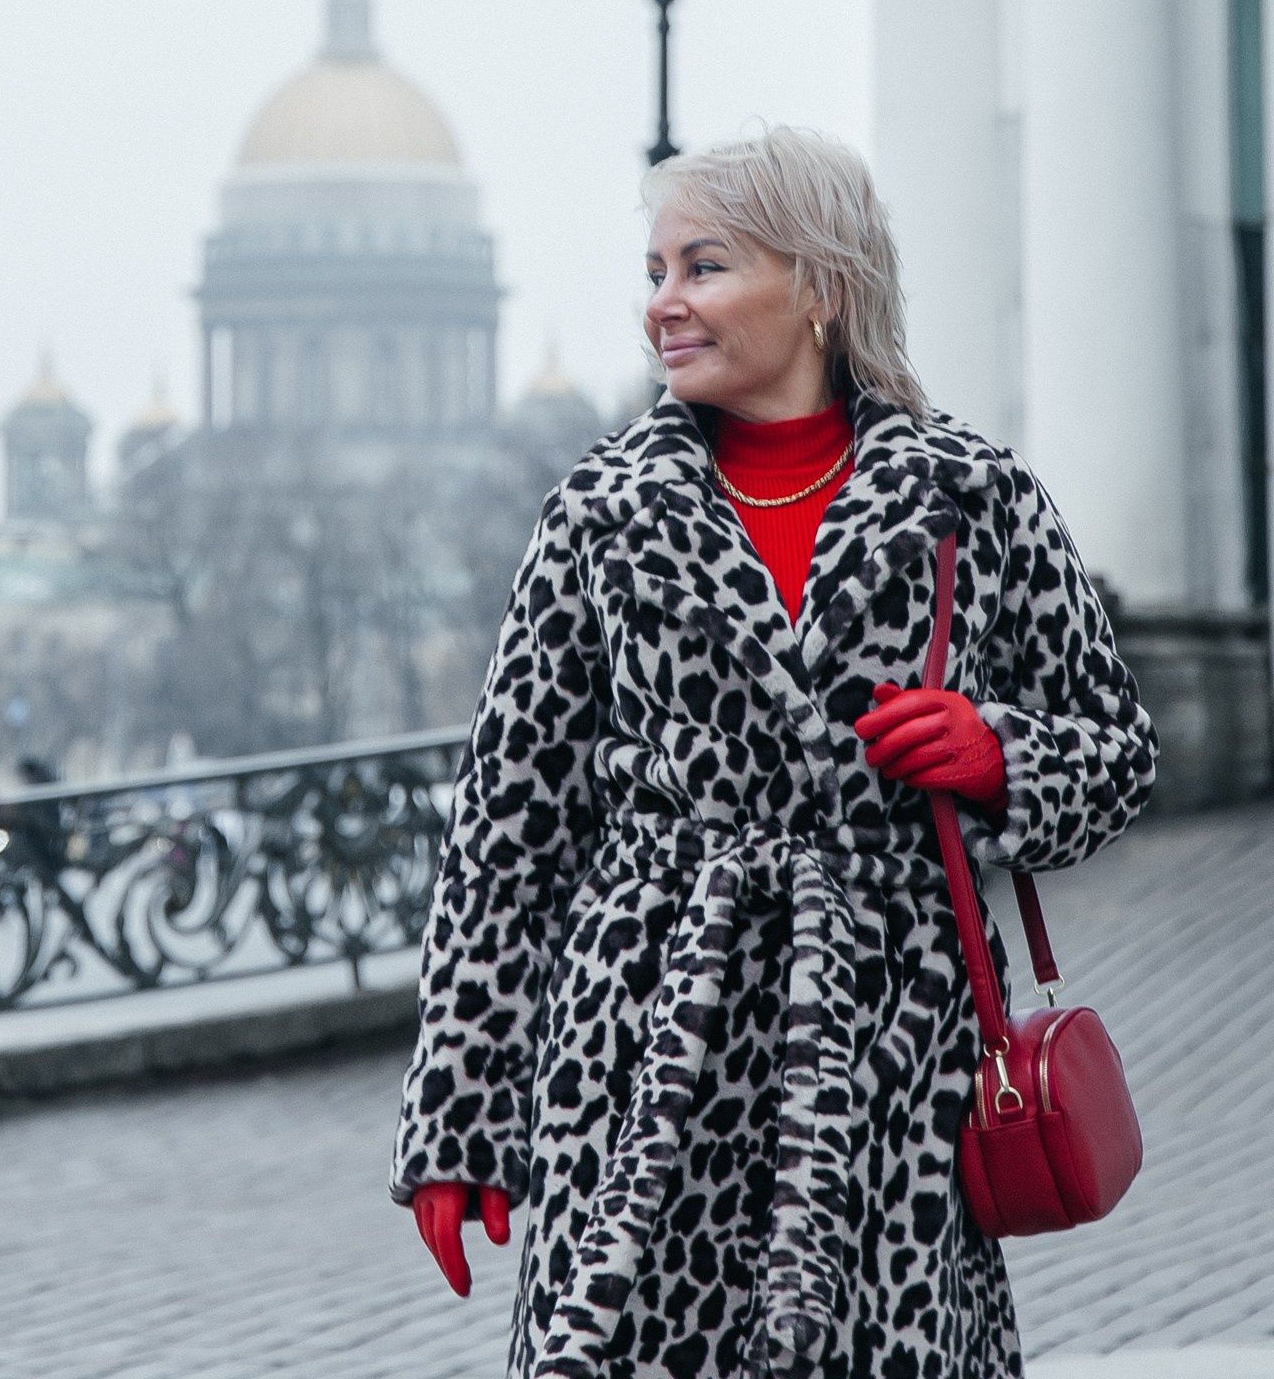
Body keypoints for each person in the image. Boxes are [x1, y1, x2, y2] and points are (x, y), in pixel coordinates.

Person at [393, 129, 1158, 1378]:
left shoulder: (971, 495)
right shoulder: (601, 512)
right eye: (655, 271)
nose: (664, 303)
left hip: (891, 1042)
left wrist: (997, 754)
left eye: (704, 266)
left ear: (820, 285)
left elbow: (1119, 751)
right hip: (645, 1039)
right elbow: (507, 832)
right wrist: (461, 1112)